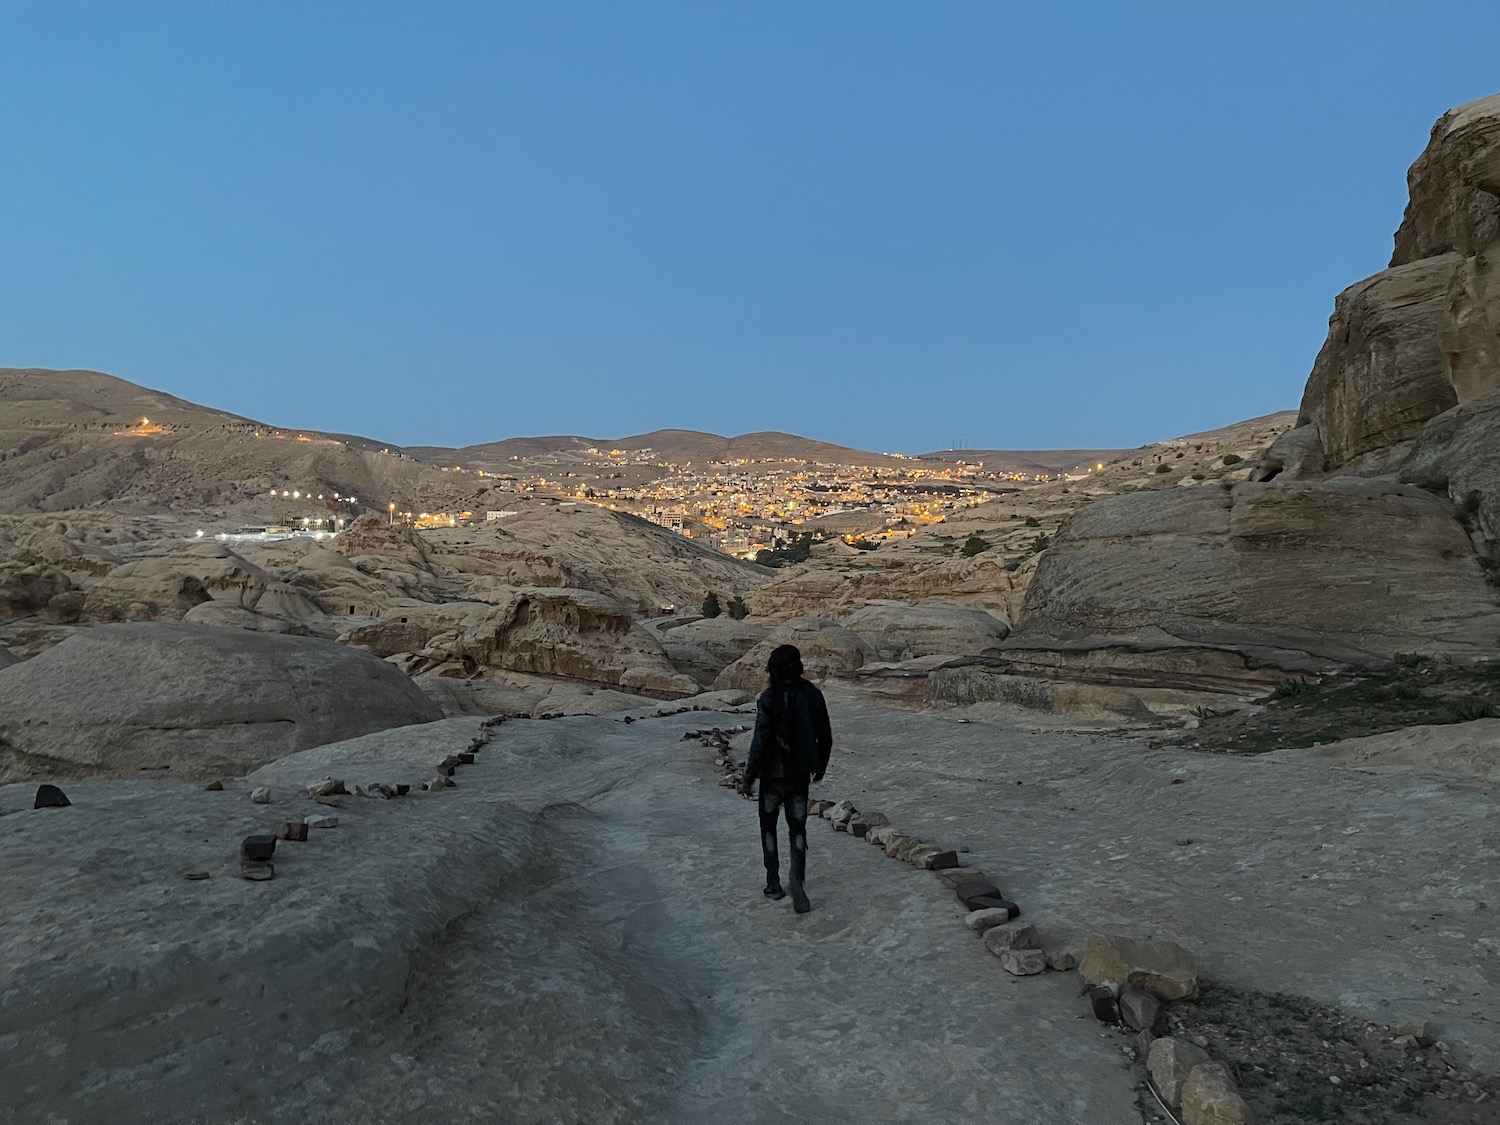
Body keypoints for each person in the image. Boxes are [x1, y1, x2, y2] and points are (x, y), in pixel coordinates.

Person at [738, 644, 833, 913]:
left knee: (768, 828)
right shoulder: (812, 694)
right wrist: (820, 765)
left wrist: (748, 777)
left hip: (771, 775)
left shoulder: (769, 698)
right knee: (798, 829)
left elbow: (760, 741)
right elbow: (824, 734)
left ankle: (773, 883)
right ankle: (797, 878)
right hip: (799, 775)